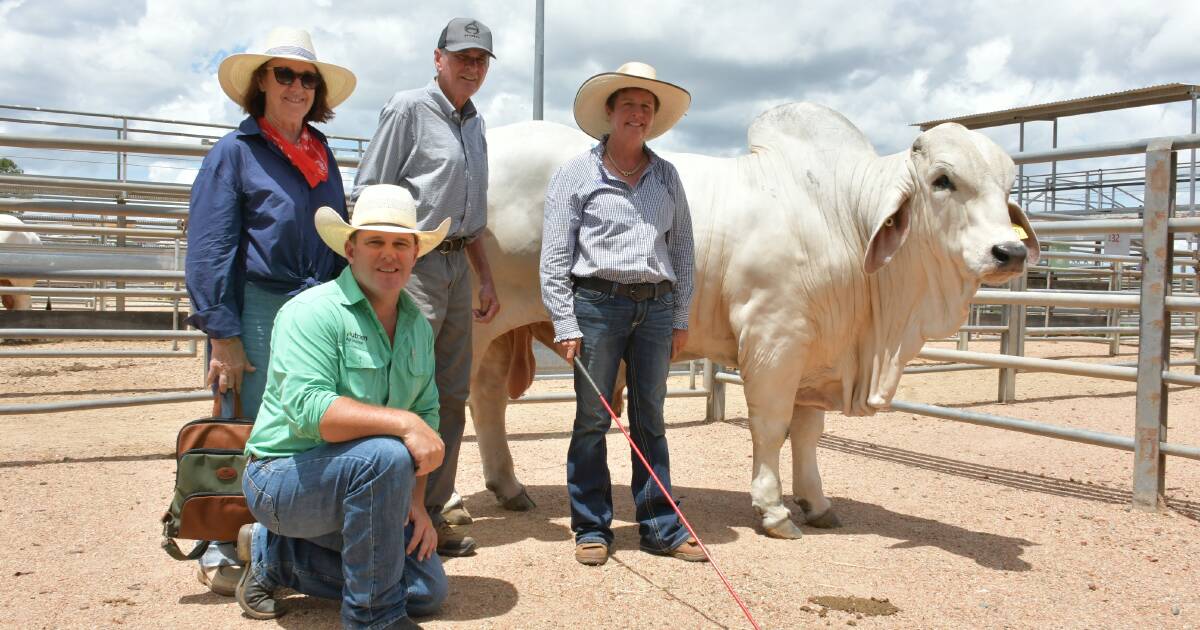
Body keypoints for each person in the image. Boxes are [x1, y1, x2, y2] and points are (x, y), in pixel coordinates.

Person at [184, 26, 357, 595]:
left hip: (314, 305)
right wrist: (222, 333)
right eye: (284, 74)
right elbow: (211, 245)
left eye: (308, 78)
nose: (297, 86)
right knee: (248, 422)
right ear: (260, 82)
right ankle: (219, 538)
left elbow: (336, 237)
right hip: (259, 304)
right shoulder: (235, 154)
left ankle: (284, 540)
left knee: (307, 426)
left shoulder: (321, 154)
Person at [235, 184, 451, 628]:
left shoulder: (416, 326)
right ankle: (375, 617)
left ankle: (275, 556)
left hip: (370, 480)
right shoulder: (312, 312)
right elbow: (312, 412)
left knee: (428, 592)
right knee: (387, 452)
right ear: (350, 249)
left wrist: (416, 503)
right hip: (282, 477)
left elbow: (427, 415)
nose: (388, 254)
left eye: (400, 243)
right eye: (375, 241)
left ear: (416, 254)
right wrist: (403, 423)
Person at [539, 62, 706, 567]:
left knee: (650, 417)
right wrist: (564, 322)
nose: (638, 114)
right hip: (596, 303)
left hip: (654, 307)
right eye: (630, 104)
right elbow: (554, 258)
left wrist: (680, 316)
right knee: (593, 417)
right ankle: (591, 526)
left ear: (654, 118)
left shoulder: (667, 175)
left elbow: (682, 253)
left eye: (647, 107)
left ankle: (660, 525)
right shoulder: (576, 173)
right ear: (610, 112)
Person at [353, 17, 499, 557]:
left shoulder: (476, 124)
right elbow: (370, 187)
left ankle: (431, 515)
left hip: (459, 264)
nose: (471, 67)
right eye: (462, 57)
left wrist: (484, 275)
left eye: (480, 60)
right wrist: (389, 264)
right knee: (402, 387)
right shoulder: (408, 108)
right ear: (437, 58)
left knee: (451, 391)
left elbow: (472, 213)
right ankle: (386, 514)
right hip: (413, 264)